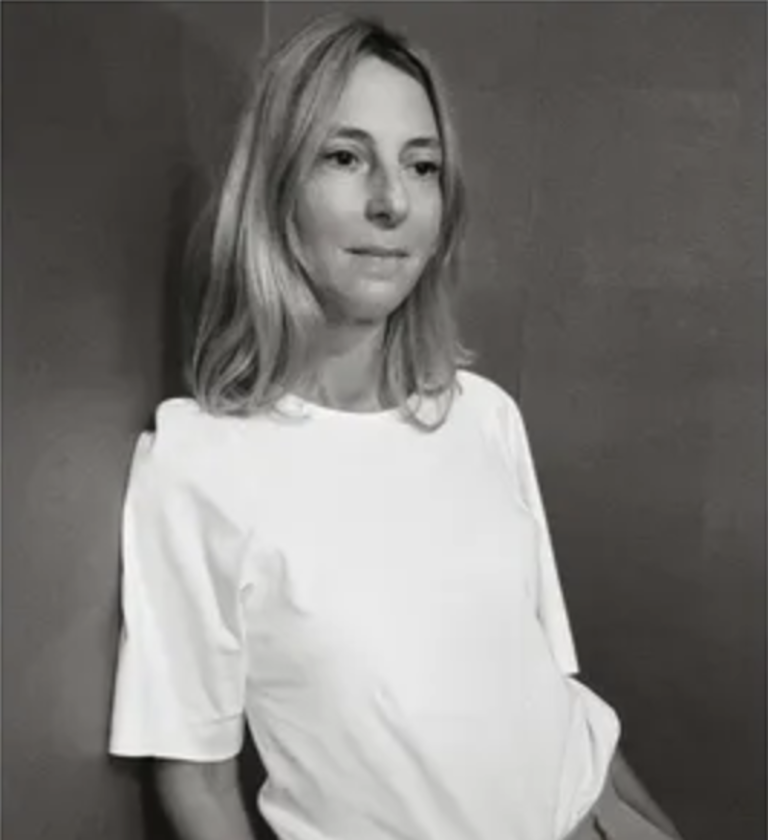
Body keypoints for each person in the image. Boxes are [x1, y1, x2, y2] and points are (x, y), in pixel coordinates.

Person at [108, 14, 684, 840]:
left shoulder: (484, 415)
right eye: (344, 158)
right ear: (274, 187)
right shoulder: (197, 464)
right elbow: (197, 782)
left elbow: (551, 683)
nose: (392, 201)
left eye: (422, 165)